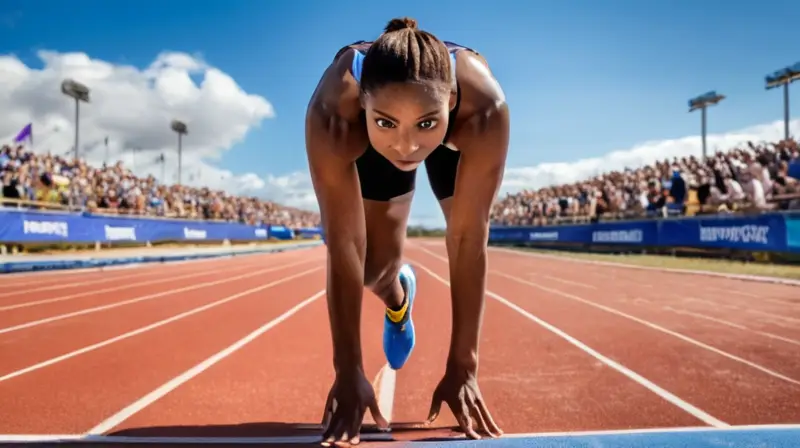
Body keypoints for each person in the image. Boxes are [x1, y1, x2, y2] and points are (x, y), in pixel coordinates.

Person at [305, 16, 509, 446]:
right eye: (386, 124)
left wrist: (464, 367)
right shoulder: (333, 115)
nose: (406, 147)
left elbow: (468, 240)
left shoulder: (483, 110)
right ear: (361, 103)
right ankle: (398, 297)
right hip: (377, 135)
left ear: (451, 100)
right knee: (369, 269)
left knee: (464, 226)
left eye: (425, 124)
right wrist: (348, 371)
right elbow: (344, 242)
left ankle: (413, 123)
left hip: (453, 138)